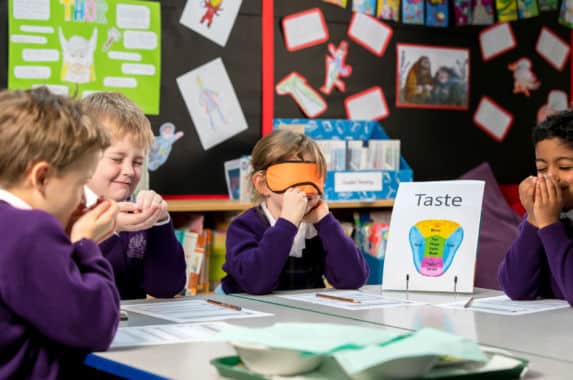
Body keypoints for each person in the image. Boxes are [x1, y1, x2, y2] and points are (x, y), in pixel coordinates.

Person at [0, 87, 120, 379]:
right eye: (80, 184)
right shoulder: (29, 231)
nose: (81, 200)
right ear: (41, 177)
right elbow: (96, 325)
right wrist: (85, 242)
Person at [221, 130, 369, 294]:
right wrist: (287, 223)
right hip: (250, 312)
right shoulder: (243, 226)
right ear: (262, 184)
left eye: (312, 175)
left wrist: (326, 222)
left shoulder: (319, 228)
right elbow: (256, 282)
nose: (304, 187)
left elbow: (353, 279)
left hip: (303, 314)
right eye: (292, 176)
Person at [82, 92, 186, 300]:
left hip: (130, 328)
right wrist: (109, 226)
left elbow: (166, 287)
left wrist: (160, 223)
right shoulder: (62, 213)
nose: (129, 170)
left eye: (138, 162)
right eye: (117, 159)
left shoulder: (137, 211)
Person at [499, 110, 573, 305]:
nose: (551, 177)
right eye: (541, 169)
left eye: (565, 167)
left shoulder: (551, 222)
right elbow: (516, 288)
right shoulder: (549, 214)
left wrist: (549, 224)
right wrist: (533, 218)